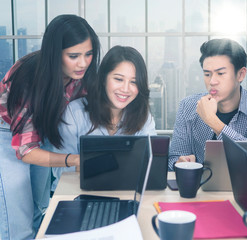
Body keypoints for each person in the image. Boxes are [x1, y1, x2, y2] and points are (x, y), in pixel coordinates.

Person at [0, 14, 100, 240]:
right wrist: (73, 159)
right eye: (73, 56)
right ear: (56, 54)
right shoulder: (29, 78)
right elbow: (25, 151)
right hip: (7, 134)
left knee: (39, 210)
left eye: (88, 54)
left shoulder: (82, 76)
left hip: (40, 130)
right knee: (18, 225)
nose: (83, 63)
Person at [51, 45, 156, 189]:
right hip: (76, 193)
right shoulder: (74, 112)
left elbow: (151, 165)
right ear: (103, 78)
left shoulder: (143, 117)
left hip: (125, 192)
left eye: (134, 82)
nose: (125, 89)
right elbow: (60, 169)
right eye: (118, 79)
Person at [168, 38, 247, 170]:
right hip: (200, 189)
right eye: (207, 74)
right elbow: (174, 158)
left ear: (241, 74)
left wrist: (213, 122)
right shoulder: (188, 106)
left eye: (220, 73)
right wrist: (180, 162)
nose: (212, 81)